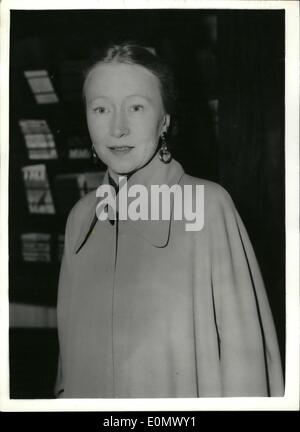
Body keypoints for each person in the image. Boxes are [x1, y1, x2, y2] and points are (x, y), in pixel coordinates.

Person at [55, 41, 284, 398]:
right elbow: (66, 373)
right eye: (101, 109)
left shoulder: (207, 207)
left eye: (136, 107)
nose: (117, 128)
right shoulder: (82, 218)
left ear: (164, 121)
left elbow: (248, 369)